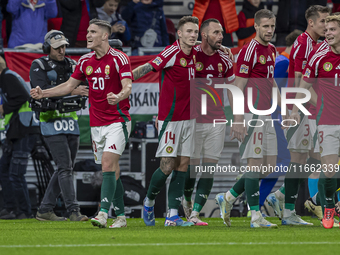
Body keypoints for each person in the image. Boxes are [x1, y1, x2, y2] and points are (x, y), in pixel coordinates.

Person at [30, 19, 133, 229]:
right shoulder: (85, 61)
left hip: (117, 120)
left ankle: (102, 213)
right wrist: (43, 93)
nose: (87, 35)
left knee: (105, 165)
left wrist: (119, 96)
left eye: (93, 32)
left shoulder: (119, 58)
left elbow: (128, 86)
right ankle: (121, 215)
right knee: (111, 169)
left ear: (105, 36)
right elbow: (69, 86)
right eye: (87, 31)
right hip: (95, 124)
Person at [215, 9, 281, 228]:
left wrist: (286, 107)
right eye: (265, 26)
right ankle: (255, 216)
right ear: (256, 27)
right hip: (251, 114)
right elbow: (237, 87)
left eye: (272, 26)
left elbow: (270, 81)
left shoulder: (271, 50)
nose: (269, 30)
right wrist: (238, 118)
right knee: (254, 166)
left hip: (266, 113)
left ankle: (228, 198)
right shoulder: (249, 51)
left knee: (268, 167)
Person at [132, 16, 199, 227]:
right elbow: (148, 67)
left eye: (195, 32)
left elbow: (213, 44)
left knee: (183, 165)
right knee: (168, 166)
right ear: (179, 33)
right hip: (170, 119)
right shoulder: (171, 53)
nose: (192, 35)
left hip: (191, 118)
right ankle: (149, 201)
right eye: (188, 31)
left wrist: (223, 48)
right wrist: (124, 79)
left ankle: (172, 216)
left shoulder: (197, 53)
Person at [267, 5, 330, 225]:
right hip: (300, 110)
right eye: (322, 21)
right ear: (311, 22)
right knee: (300, 160)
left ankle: (282, 196)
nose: (326, 26)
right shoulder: (303, 43)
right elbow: (301, 81)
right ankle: (288, 211)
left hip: (308, 109)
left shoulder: (316, 44)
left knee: (313, 158)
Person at [30, 30, 89, 222]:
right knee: (65, 167)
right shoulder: (38, 65)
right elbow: (43, 91)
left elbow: (85, 89)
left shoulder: (73, 64)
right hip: (49, 120)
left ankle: (45, 210)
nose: (62, 50)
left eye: (64, 46)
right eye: (57, 48)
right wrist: (72, 90)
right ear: (48, 48)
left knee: (65, 167)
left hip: (71, 121)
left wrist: (75, 91)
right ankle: (74, 211)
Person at [182, 18, 235, 226]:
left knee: (209, 167)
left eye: (221, 33)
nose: (221, 36)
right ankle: (186, 200)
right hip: (193, 119)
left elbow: (233, 91)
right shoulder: (191, 54)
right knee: (191, 167)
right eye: (216, 33)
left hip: (216, 119)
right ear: (203, 35)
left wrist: (237, 119)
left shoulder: (226, 59)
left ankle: (195, 213)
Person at [290, 14, 340, 229]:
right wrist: (322, 106)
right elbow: (304, 87)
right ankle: (327, 208)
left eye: (332, 30)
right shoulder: (319, 56)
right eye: (326, 29)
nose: (327, 33)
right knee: (328, 169)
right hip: (327, 121)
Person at [261, 30, 302, 214]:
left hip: (277, 116)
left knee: (285, 161)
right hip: (276, 117)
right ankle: (257, 200)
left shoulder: (281, 61)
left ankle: (264, 200)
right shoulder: (283, 62)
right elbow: (272, 90)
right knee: (285, 161)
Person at [0, 56, 40, 219]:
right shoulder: (8, 77)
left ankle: (24, 211)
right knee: (4, 169)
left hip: (24, 130)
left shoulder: (7, 77)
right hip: (17, 131)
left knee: (15, 173)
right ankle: (12, 208)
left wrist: (4, 108)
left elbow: (23, 97)